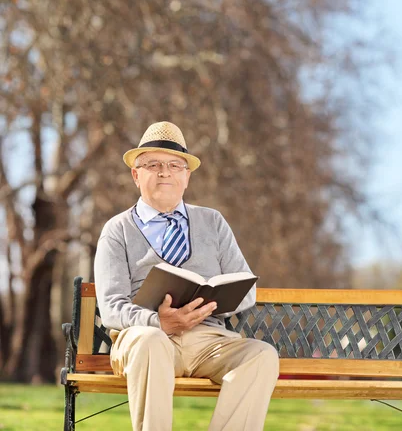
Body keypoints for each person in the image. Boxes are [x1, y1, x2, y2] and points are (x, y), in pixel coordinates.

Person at [94, 121, 279, 431]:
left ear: (186, 176)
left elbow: (247, 288)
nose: (165, 172)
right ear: (136, 174)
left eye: (174, 165)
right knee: (151, 340)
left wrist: (209, 305)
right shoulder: (117, 230)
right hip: (143, 341)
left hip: (207, 339)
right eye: (153, 164)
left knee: (262, 356)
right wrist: (159, 322)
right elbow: (112, 306)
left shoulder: (213, 222)